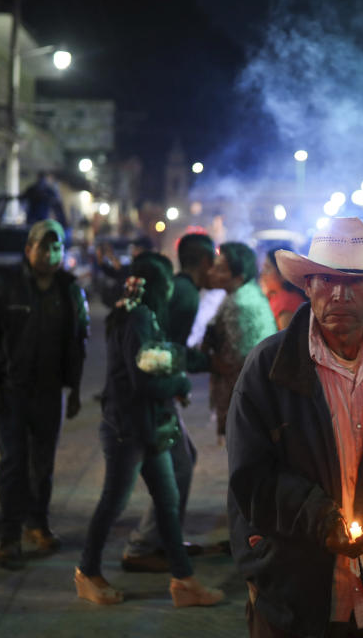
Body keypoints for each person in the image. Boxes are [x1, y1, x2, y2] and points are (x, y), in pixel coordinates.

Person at [226, 217, 363, 637]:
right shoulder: (268, 365)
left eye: (356, 282)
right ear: (307, 287)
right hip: (292, 593)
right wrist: (317, 518)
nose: (340, 295)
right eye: (326, 281)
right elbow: (251, 474)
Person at [75, 253, 224, 607]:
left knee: (168, 503)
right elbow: (143, 383)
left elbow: (152, 361)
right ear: (158, 287)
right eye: (167, 287)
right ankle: (87, 573)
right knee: (113, 503)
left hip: (148, 427)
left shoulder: (134, 312)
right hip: (128, 429)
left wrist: (180, 368)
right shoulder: (139, 317)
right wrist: (181, 385)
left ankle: (183, 581)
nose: (171, 294)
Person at [0, 219, 89, 569]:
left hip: (50, 393)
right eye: (44, 247)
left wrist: (76, 390)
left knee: (43, 465)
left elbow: (78, 342)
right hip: (11, 392)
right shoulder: (5, 286)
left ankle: (37, 524)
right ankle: (9, 537)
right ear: (29, 249)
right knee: (13, 465)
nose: (51, 254)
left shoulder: (69, 289)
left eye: (57, 248)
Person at [121, 234, 215, 573]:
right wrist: (194, 368)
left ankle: (163, 538)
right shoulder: (184, 296)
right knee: (177, 466)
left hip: (157, 391)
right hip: (152, 396)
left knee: (184, 460)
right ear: (204, 261)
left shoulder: (175, 292)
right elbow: (164, 352)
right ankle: (145, 544)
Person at [204, 242, 277, 445]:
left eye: (220, 269)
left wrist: (210, 361)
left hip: (245, 398)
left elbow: (240, 359)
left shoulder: (240, 303)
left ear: (238, 277)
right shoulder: (246, 294)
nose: (211, 272)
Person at [260, 248, 307, 330]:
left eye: (267, 268)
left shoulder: (286, 302)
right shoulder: (276, 296)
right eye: (263, 268)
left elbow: (286, 340)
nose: (263, 274)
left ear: (283, 274)